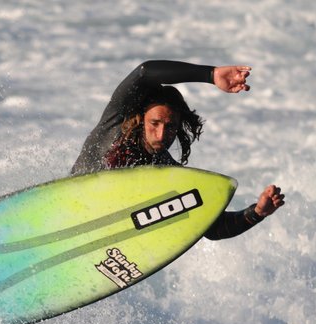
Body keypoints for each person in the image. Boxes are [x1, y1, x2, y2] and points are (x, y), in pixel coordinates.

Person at [71, 60, 284, 240]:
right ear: (141, 117)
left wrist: (257, 212)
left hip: (102, 234)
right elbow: (145, 72)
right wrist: (211, 75)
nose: (161, 134)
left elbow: (211, 227)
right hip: (73, 206)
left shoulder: (166, 172)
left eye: (170, 126)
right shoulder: (115, 122)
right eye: (154, 123)